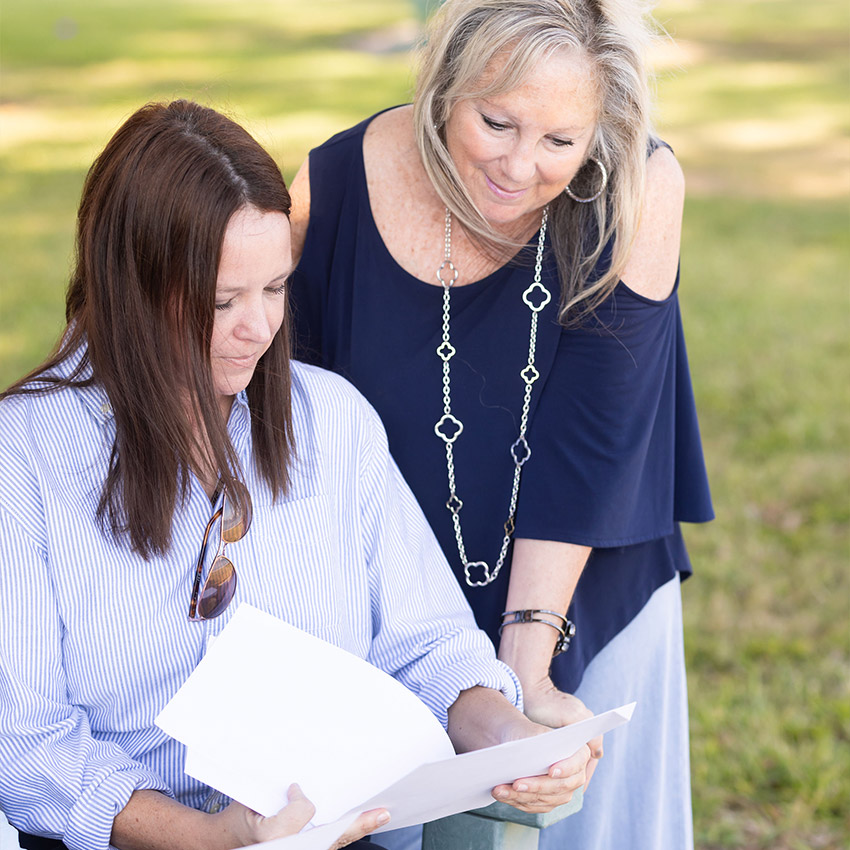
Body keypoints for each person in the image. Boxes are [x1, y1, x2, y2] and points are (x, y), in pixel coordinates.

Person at [0, 100, 592, 850]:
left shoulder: (332, 421)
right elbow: (27, 744)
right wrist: (211, 838)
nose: (259, 327)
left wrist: (514, 740)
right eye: (222, 300)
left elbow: (430, 648)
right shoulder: (23, 455)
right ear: (130, 289)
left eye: (276, 288)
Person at [288, 1, 714, 848]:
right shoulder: (331, 185)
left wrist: (527, 671)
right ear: (444, 87)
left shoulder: (638, 182)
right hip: (390, 604)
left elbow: (597, 439)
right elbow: (292, 429)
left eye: (561, 141)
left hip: (587, 580)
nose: (521, 166)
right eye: (496, 122)